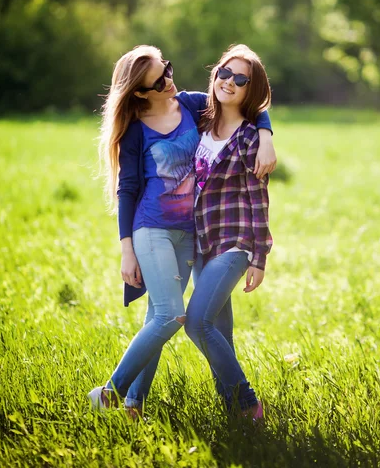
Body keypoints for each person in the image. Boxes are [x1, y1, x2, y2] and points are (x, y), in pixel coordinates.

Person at [88, 45, 276, 418]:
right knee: (171, 318)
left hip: (208, 236)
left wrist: (266, 135)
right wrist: (126, 248)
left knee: (176, 319)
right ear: (141, 91)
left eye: (168, 69)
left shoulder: (192, 107)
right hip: (167, 231)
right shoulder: (154, 125)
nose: (170, 79)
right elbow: (126, 189)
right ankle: (120, 398)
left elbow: (249, 102)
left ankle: (137, 403)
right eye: (160, 80)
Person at [185, 44, 273, 422]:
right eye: (225, 72)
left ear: (250, 90)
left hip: (233, 243)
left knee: (196, 323)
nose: (229, 82)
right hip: (199, 242)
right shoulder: (197, 120)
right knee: (219, 329)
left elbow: (259, 199)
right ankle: (231, 412)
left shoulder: (251, 137)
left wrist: (260, 255)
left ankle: (246, 402)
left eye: (241, 79)